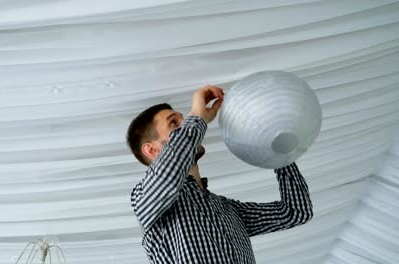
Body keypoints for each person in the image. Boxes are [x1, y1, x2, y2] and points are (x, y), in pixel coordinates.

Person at [126, 85, 313, 264]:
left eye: (184, 119)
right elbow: (171, 170)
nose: (186, 125)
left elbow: (295, 212)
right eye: (174, 124)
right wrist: (198, 115)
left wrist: (278, 154)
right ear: (151, 150)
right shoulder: (143, 198)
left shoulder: (226, 208)